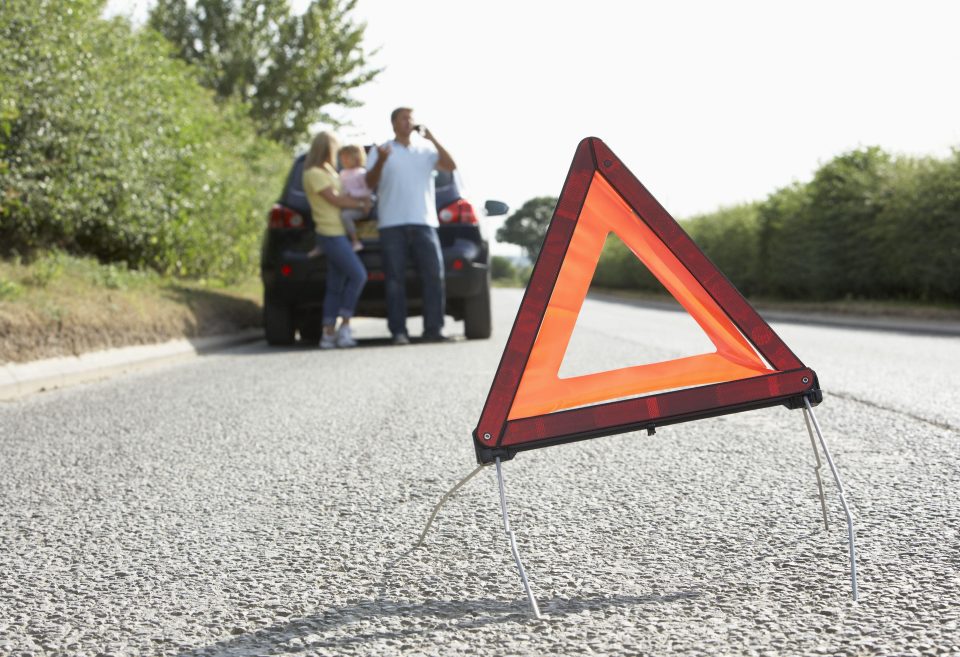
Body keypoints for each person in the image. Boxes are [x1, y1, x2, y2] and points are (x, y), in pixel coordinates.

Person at [365, 107, 456, 345]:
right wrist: (381, 162)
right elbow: (369, 182)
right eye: (403, 118)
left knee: (434, 276)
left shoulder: (425, 151)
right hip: (392, 223)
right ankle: (398, 331)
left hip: (424, 222)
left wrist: (433, 138)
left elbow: (450, 165)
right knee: (394, 279)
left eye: (411, 118)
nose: (408, 122)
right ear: (393, 123)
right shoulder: (381, 150)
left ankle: (434, 329)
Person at [302, 132, 372, 349]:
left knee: (335, 285)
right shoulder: (313, 173)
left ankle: (328, 332)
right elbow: (335, 199)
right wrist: (361, 205)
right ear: (326, 148)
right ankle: (345, 325)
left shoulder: (331, 171)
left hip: (340, 231)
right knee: (359, 275)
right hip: (329, 232)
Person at [338, 144, 373, 252]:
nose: (343, 160)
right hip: (347, 204)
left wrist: (351, 193)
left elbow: (367, 191)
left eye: (346, 156)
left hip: (361, 206)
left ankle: (355, 241)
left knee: (345, 216)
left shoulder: (361, 173)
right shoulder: (342, 173)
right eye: (342, 157)